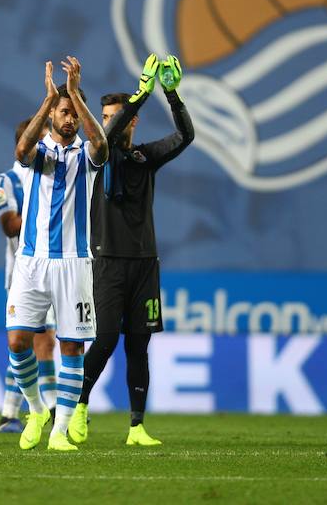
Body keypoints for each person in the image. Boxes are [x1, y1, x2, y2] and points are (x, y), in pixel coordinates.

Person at [69, 54, 195, 446]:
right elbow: (106, 137)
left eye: (114, 115)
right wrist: (140, 95)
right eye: (104, 116)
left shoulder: (144, 157)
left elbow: (185, 136)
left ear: (133, 120)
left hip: (145, 264)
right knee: (105, 340)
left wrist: (171, 94)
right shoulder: (99, 154)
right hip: (107, 262)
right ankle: (78, 407)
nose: (107, 121)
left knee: (138, 345)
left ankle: (136, 427)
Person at [6, 56, 108, 452]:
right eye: (63, 112)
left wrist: (76, 94)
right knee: (17, 342)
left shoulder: (87, 156)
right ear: (52, 115)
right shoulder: (41, 156)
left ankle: (60, 431)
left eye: (72, 113)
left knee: (71, 346)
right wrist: (47, 101)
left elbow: (100, 142)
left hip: (73, 263)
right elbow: (21, 148)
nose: (68, 119)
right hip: (31, 263)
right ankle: (35, 409)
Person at [0, 120, 58, 433]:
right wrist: (47, 214)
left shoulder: (55, 172)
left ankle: (34, 410)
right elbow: (8, 226)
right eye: (43, 139)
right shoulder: (7, 180)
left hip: (53, 268)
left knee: (43, 343)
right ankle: (16, 412)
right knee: (23, 341)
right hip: (21, 271)